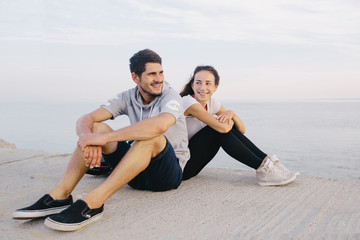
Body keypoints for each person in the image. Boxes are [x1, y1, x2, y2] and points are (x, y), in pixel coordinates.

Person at [12, 49, 190, 231]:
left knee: (152, 136)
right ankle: (60, 196)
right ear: (135, 78)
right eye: (152, 74)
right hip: (135, 172)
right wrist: (88, 140)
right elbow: (85, 119)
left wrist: (103, 138)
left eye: (160, 72)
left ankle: (94, 202)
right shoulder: (127, 96)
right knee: (96, 127)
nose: (159, 78)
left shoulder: (171, 96)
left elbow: (159, 126)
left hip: (166, 174)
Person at [180, 65, 298, 185]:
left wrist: (232, 114)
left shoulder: (212, 103)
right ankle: (263, 168)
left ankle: (267, 162)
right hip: (181, 167)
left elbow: (241, 130)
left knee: (221, 129)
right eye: (198, 82)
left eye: (208, 83)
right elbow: (223, 128)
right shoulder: (188, 102)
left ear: (215, 87)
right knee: (216, 130)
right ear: (192, 85)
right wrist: (227, 120)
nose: (202, 87)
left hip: (194, 164)